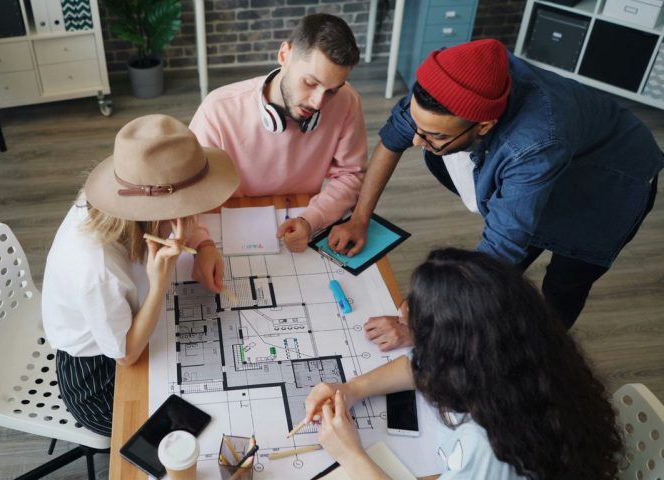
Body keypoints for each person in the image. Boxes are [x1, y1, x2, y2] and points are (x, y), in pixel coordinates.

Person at [327, 39, 662, 346]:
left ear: (484, 126)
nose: (417, 141)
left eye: (433, 137)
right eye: (418, 126)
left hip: (609, 183)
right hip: (560, 154)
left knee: (563, 283)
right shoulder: (453, 82)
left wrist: (424, 319)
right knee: (502, 272)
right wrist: (359, 218)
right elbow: (393, 138)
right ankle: (476, 329)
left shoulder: (535, 142)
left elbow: (500, 247)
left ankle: (547, 352)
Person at [304, 248, 623, 479]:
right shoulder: (529, 354)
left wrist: (349, 454)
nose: (402, 313)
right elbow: (421, 366)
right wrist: (350, 389)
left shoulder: (487, 445)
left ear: (455, 352)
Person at [41, 115, 239, 476]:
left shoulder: (121, 204)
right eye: (188, 210)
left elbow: (176, 214)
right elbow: (127, 354)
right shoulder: (96, 269)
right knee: (194, 434)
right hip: (96, 375)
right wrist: (160, 282)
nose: (195, 215)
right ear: (156, 214)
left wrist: (203, 243)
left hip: (120, 329)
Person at [189, 13, 367, 253]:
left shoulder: (347, 102)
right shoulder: (217, 109)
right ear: (285, 55)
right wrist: (202, 243)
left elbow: (351, 175)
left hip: (302, 218)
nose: (318, 102)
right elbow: (188, 190)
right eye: (311, 83)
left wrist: (310, 220)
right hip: (228, 224)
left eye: (331, 91)